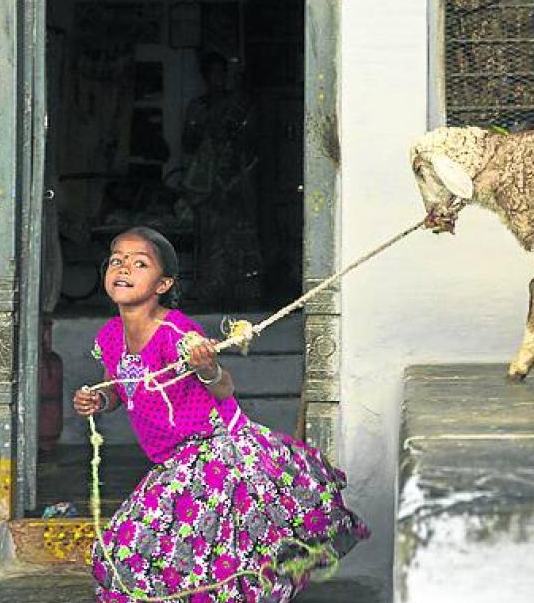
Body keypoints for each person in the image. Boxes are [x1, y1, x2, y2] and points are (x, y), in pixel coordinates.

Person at [73, 226, 368, 602]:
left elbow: (223, 387)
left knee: (206, 551)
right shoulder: (111, 336)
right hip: (172, 460)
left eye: (139, 263)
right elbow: (116, 385)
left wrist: (206, 368)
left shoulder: (177, 333)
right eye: (117, 261)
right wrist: (100, 401)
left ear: (163, 284)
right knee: (140, 548)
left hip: (217, 451)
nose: (124, 268)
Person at [181, 52, 263, 309]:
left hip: (236, 182)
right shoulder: (199, 107)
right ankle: (211, 293)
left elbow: (252, 144)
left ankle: (242, 294)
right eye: (214, 73)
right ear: (206, 77)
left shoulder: (239, 106)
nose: (219, 78)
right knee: (211, 239)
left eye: (222, 73)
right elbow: (188, 144)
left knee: (240, 238)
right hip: (208, 185)